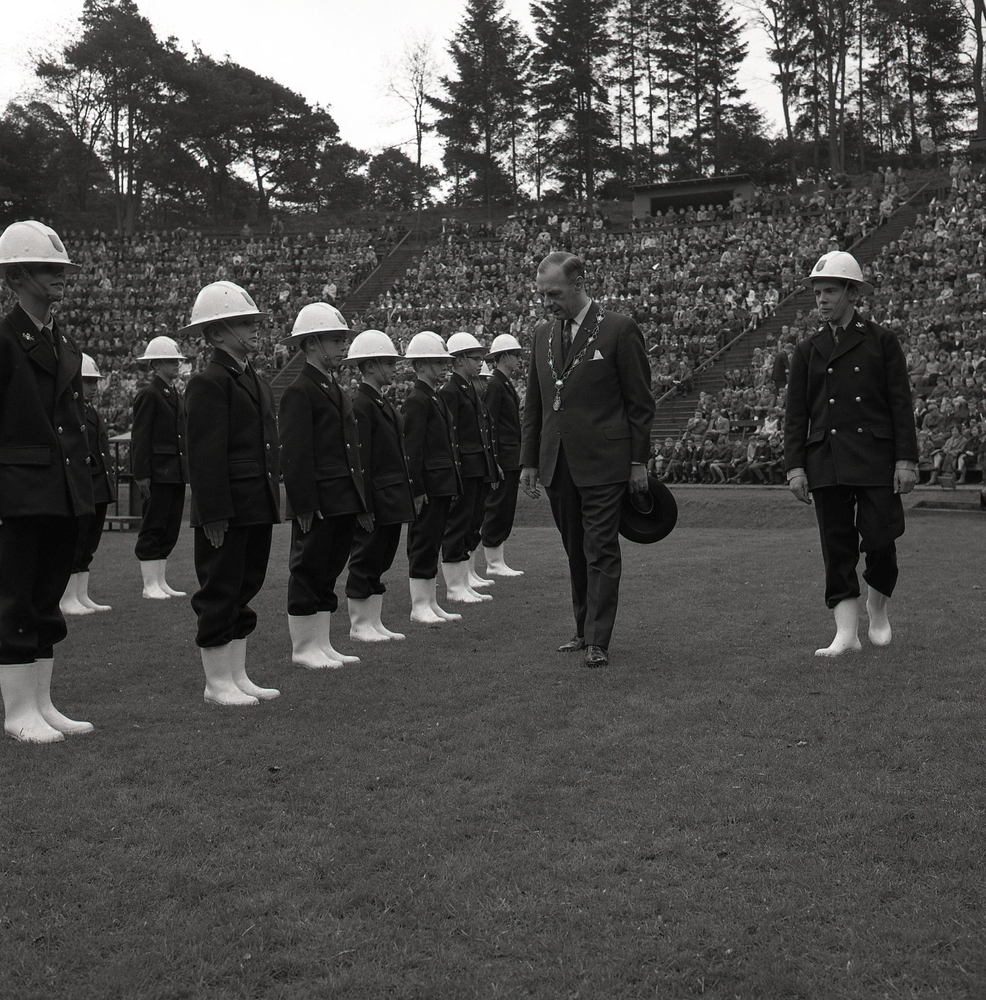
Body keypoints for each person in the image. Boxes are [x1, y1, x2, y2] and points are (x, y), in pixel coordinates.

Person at [520, 251, 655, 668]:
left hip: (605, 462)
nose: (547, 303)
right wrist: (529, 461)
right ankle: (582, 631)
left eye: (554, 294)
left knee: (600, 549)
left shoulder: (619, 328)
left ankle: (598, 639)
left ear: (579, 284)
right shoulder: (542, 334)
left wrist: (637, 462)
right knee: (575, 550)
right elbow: (535, 405)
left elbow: (640, 403)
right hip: (557, 463)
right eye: (542, 294)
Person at [784, 250, 918, 656]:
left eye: (830, 291)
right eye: (817, 292)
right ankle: (846, 634)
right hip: (826, 456)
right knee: (837, 545)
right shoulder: (808, 349)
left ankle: (877, 608)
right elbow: (796, 414)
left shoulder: (881, 341)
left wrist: (906, 460)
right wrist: (795, 467)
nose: (822, 299)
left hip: (875, 454)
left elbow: (900, 404)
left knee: (881, 539)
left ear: (852, 293)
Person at [0, 220, 94, 742]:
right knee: (15, 600)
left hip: (59, 488)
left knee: (44, 602)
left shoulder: (63, 342)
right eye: (46, 268)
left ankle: (41, 703)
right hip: (17, 490)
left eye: (61, 268)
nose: (60, 275)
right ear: (15, 277)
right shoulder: (4, 340)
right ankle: (18, 712)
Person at [182, 280, 281, 706]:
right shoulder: (209, 382)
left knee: (245, 587)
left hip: (255, 500)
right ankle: (217, 683)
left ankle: (237, 675)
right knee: (220, 590)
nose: (254, 329)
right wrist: (213, 512)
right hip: (228, 506)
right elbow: (205, 455)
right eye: (243, 323)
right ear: (216, 333)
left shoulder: (253, 379)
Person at [279, 303, 367, 668]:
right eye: (335, 340)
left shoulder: (330, 386)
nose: (342, 346)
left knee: (329, 569)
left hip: (340, 494)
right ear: (312, 343)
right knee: (309, 569)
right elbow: (295, 453)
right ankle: (304, 648)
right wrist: (303, 502)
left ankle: (322, 643)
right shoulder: (300, 390)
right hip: (318, 496)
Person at [341, 330, 419, 641]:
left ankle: (374, 621)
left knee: (381, 558)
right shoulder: (362, 405)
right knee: (366, 558)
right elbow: (361, 462)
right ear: (370, 366)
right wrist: (364, 506)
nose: (393, 368)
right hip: (376, 498)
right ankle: (360, 624)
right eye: (387, 363)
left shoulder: (378, 402)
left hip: (390, 496)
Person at [402, 331, 463, 625]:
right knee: (423, 542)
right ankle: (419, 605)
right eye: (437, 361)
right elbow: (412, 450)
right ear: (420, 365)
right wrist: (416, 488)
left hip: (440, 482)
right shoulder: (417, 400)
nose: (443, 366)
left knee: (433, 541)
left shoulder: (432, 397)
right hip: (428, 484)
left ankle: (430, 601)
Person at [440, 332, 500, 604]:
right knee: (458, 524)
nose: (479, 363)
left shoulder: (468, 389)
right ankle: (455, 587)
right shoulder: (451, 391)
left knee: (470, 522)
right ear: (460, 359)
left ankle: (463, 581)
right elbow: (451, 435)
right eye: (475, 358)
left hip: (476, 466)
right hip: (464, 467)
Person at [131, 335, 188, 601]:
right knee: (153, 525)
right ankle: (149, 584)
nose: (176, 364)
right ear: (155, 364)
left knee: (169, 527)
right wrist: (141, 474)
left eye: (176, 360)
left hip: (174, 471)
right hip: (158, 471)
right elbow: (141, 437)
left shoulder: (176, 395)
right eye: (169, 360)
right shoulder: (150, 395)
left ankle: (160, 581)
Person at [60, 354, 116, 616]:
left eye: (95, 381)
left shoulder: (89, 409)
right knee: (75, 544)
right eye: (88, 381)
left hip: (96, 486)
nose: (94, 387)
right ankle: (68, 598)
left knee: (88, 545)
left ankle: (81, 595)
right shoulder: (69, 409)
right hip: (82, 486)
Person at [480, 334, 525, 576]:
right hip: (503, 456)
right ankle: (493, 562)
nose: (518, 359)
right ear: (504, 356)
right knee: (498, 507)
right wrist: (494, 460)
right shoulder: (495, 384)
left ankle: (498, 560)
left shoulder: (502, 383)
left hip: (510, 455)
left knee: (505, 507)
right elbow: (490, 423)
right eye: (515, 355)